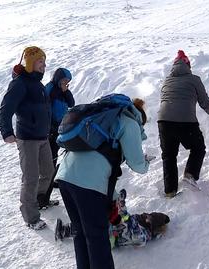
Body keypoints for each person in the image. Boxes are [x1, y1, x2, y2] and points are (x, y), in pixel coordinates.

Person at [55, 97, 150, 269]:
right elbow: (138, 165)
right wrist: (146, 162)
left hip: (65, 177)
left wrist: (111, 197)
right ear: (140, 118)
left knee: (81, 233)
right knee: (97, 237)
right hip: (87, 184)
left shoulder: (106, 117)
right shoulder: (129, 123)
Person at [0, 46, 55, 230]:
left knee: (48, 171)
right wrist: (6, 132)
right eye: (40, 62)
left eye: (44, 62)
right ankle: (31, 217)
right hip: (27, 138)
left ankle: (38, 200)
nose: (44, 66)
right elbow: (4, 110)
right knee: (30, 177)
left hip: (43, 137)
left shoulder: (37, 84)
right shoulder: (19, 84)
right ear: (30, 63)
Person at [158, 50, 209, 197]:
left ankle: (170, 191)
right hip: (185, 120)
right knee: (198, 147)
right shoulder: (194, 79)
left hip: (163, 121)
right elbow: (204, 102)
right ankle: (190, 175)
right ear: (188, 65)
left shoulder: (167, 80)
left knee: (169, 155)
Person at [55, 189, 170, 249]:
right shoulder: (140, 223)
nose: (144, 214)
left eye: (147, 216)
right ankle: (67, 229)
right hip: (112, 231)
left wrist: (121, 203)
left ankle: (65, 231)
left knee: (96, 225)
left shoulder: (142, 235)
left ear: (150, 222)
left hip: (110, 240)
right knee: (97, 218)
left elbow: (127, 222)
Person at [45, 68, 74, 167]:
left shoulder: (63, 90)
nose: (66, 83)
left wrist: (66, 92)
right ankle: (50, 175)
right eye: (64, 80)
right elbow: (45, 108)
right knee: (52, 152)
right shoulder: (50, 88)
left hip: (62, 125)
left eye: (67, 81)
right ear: (59, 78)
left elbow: (71, 103)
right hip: (52, 127)